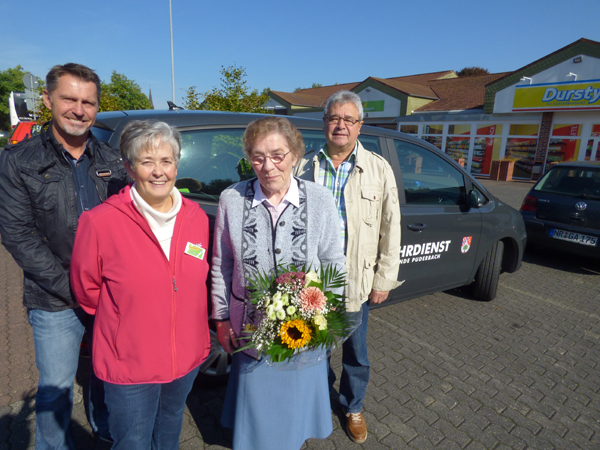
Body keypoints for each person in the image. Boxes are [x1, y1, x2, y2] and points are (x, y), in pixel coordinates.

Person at [0, 63, 128, 449]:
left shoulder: (112, 158)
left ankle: (103, 430)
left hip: (108, 295)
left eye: (88, 102)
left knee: (106, 376)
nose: (79, 109)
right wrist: (73, 288)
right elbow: (17, 235)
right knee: (56, 388)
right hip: (55, 298)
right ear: (48, 100)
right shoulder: (19, 160)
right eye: (69, 99)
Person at [70, 120, 211, 450]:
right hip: (130, 361)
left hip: (185, 356)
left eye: (166, 161)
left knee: (168, 428)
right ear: (130, 168)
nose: (159, 171)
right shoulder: (100, 222)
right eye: (147, 162)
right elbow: (87, 290)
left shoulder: (197, 217)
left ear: (177, 164)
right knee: (132, 440)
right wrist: (126, 321)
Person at [211, 116, 346, 450]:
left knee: (292, 412)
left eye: (277, 155)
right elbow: (222, 263)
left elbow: (333, 262)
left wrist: (330, 319)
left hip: (304, 332)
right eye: (257, 156)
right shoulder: (231, 199)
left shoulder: (319, 199)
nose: (267, 166)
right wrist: (222, 317)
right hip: (250, 333)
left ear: (295, 155)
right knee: (258, 415)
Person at [294, 90, 401, 444]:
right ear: (324, 123)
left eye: (348, 119)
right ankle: (319, 401)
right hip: (314, 281)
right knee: (315, 348)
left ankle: (352, 406)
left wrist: (383, 279)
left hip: (356, 280)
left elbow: (391, 227)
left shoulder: (378, 168)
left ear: (360, 126)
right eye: (334, 118)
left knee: (356, 352)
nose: (340, 125)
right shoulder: (302, 166)